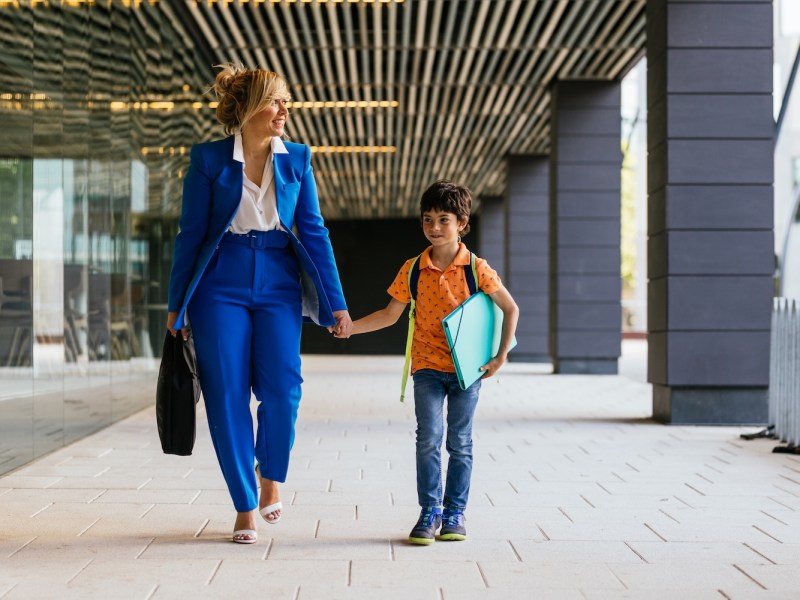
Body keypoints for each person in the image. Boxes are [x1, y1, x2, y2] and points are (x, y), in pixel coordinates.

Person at [166, 64, 352, 544]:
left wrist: (336, 303)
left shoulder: (297, 159)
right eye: (276, 101)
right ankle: (244, 505)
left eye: (286, 101)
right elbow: (190, 234)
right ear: (248, 109)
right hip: (219, 282)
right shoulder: (208, 160)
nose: (284, 110)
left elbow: (313, 230)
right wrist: (177, 304)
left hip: (277, 279)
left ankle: (271, 476)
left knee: (285, 388)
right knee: (227, 395)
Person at [333, 180, 518, 544]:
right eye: (428, 219)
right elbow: (390, 314)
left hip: (467, 370)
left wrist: (500, 356)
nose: (434, 227)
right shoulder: (413, 268)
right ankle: (430, 510)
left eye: (443, 219)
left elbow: (511, 309)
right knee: (428, 440)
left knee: (460, 442)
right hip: (428, 368)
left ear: (462, 224)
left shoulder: (477, 269)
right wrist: (351, 328)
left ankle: (455, 512)